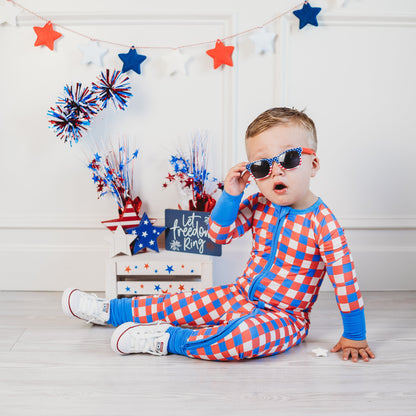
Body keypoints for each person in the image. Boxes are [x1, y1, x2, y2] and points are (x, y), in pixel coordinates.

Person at [62, 107, 375, 362]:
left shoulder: (324, 224)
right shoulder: (257, 203)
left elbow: (345, 281)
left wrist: (355, 334)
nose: (276, 171)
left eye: (290, 158)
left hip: (285, 318)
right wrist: (231, 194)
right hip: (239, 295)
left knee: (242, 338)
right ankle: (109, 310)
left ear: (313, 164)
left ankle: (167, 338)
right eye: (262, 166)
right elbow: (218, 235)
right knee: (183, 303)